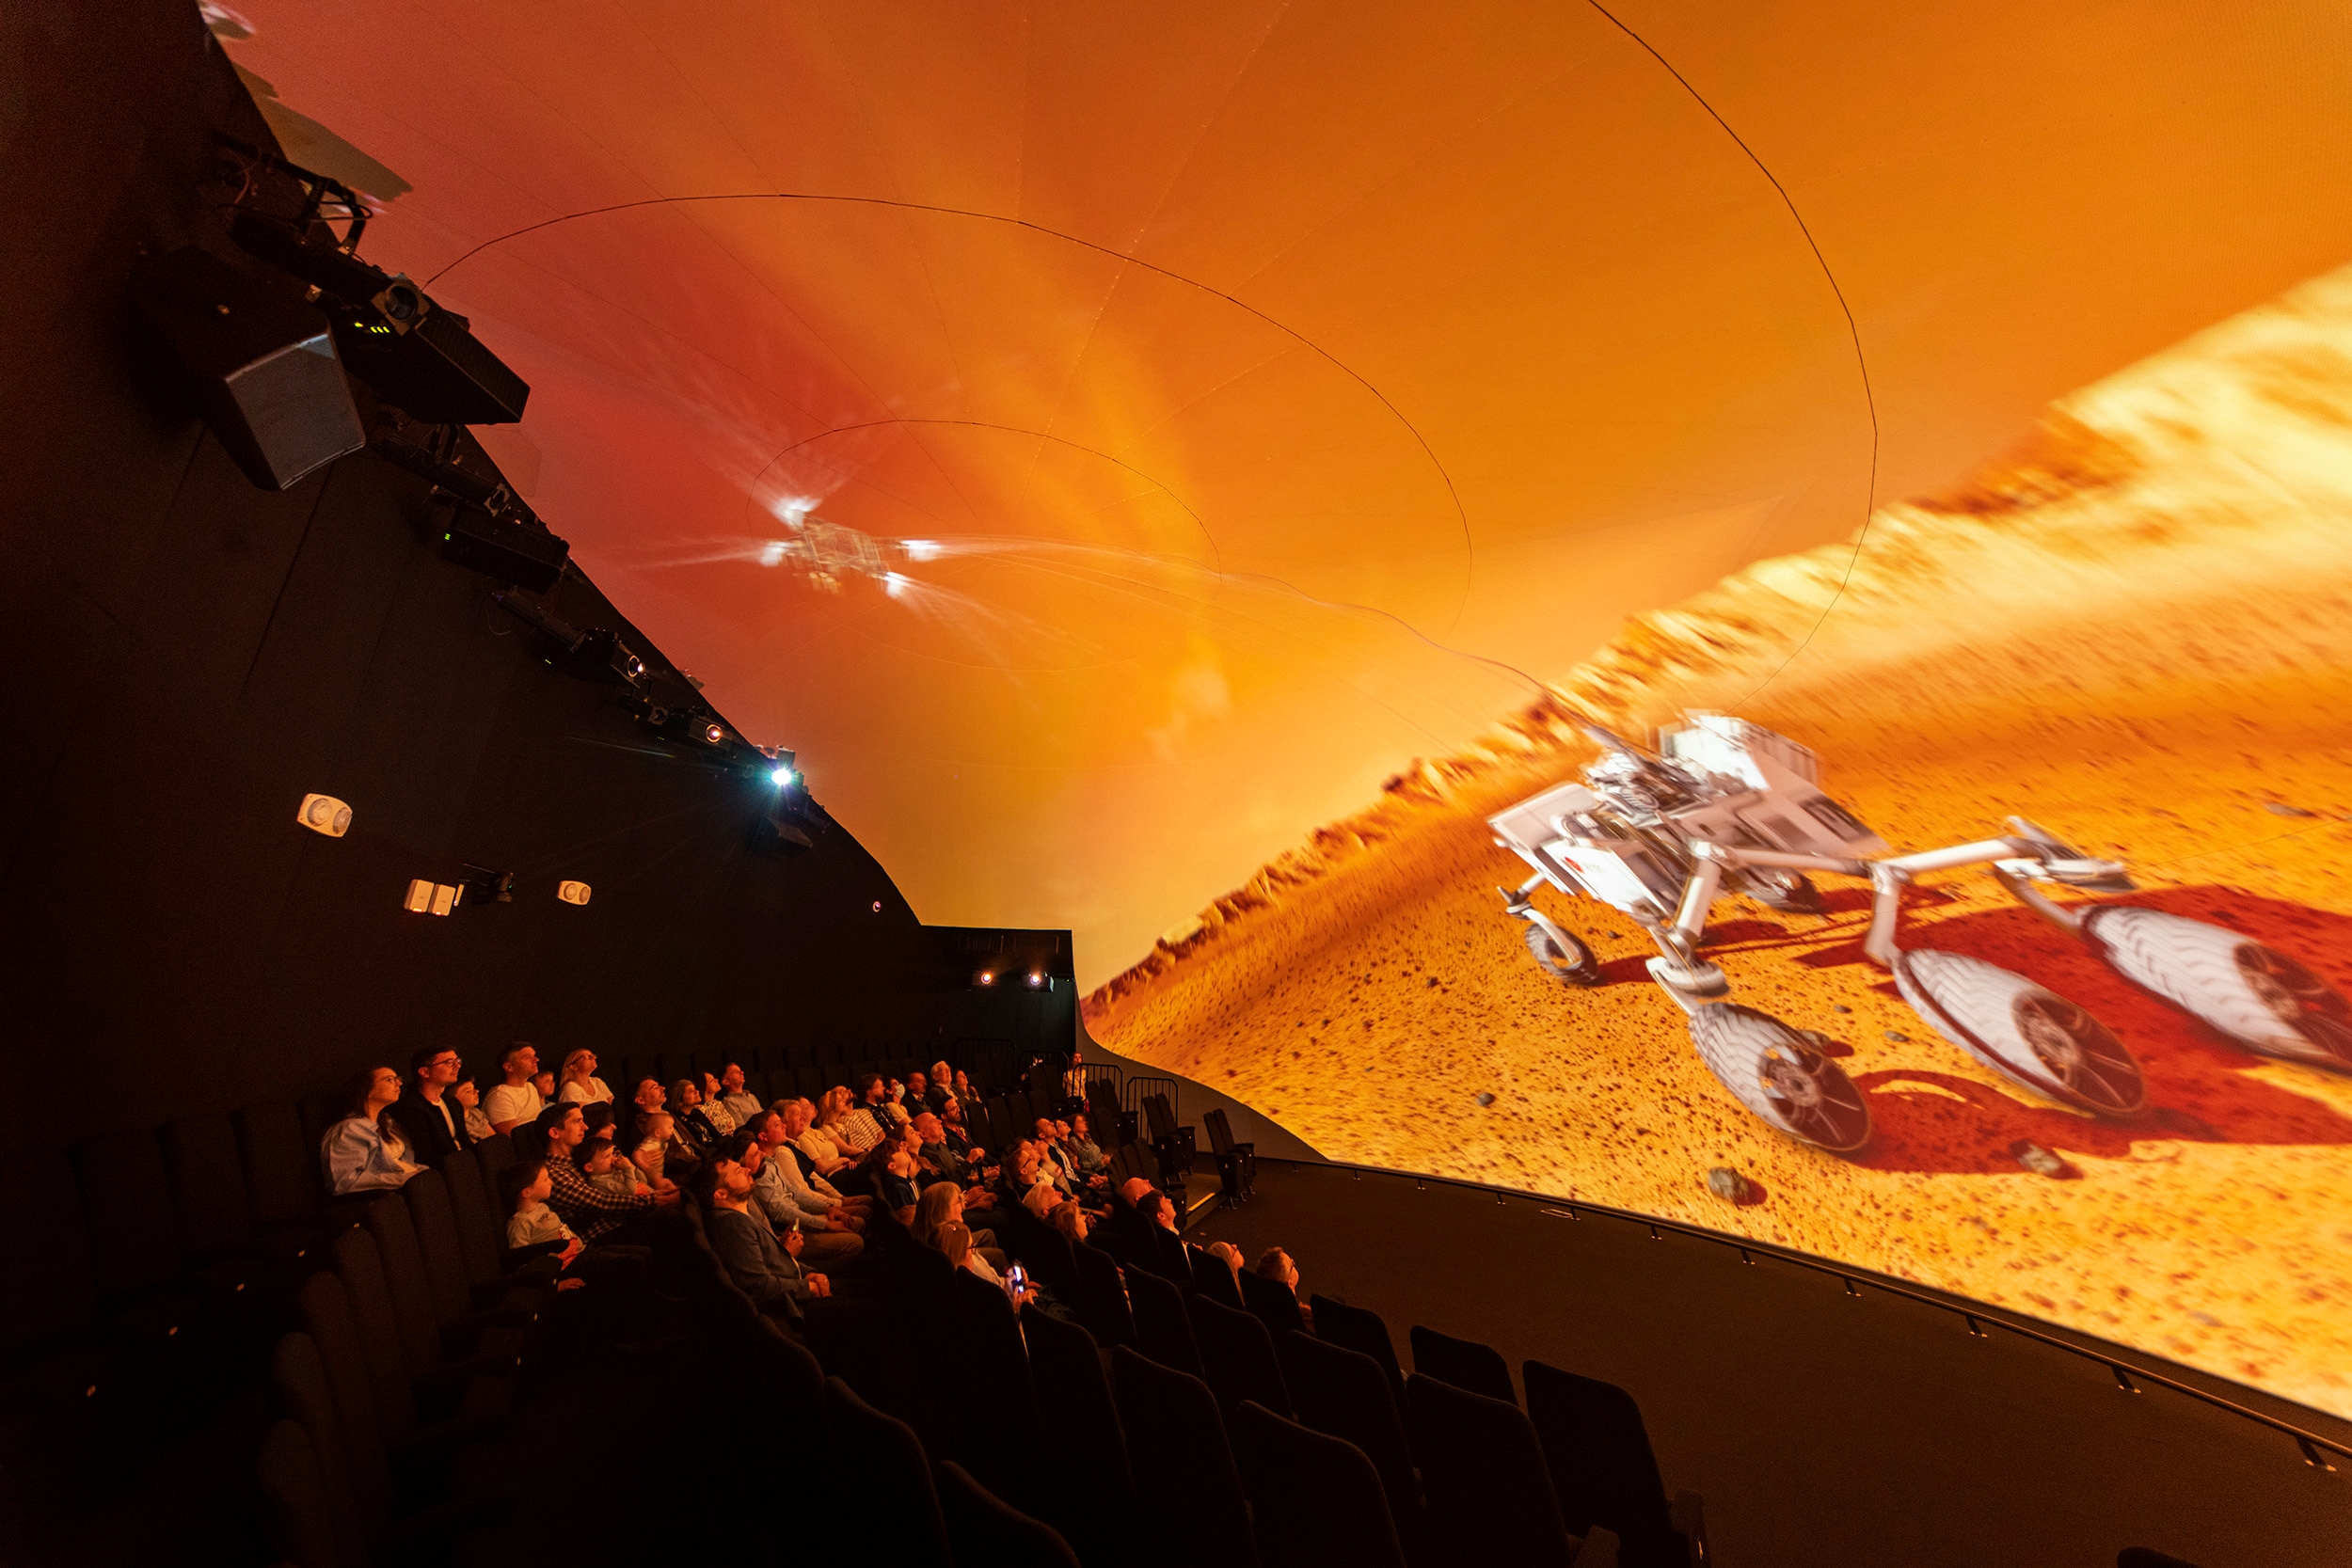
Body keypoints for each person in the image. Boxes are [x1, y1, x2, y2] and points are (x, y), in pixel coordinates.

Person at [703, 1154, 832, 1322]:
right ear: (721, 1193)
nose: (748, 1169)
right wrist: (809, 1287)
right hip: (794, 1308)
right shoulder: (733, 1224)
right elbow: (759, 1286)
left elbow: (773, 1260)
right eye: (738, 1171)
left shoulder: (741, 1215)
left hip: (796, 1284)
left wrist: (810, 1274)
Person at [538, 1103, 681, 1244]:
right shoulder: (553, 1172)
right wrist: (658, 1200)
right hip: (601, 1233)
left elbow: (620, 1169)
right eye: (577, 1121)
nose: (585, 1127)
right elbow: (600, 1202)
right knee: (672, 1219)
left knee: (682, 1209)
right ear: (555, 1133)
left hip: (621, 1219)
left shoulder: (578, 1156)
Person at [320, 1067, 425, 1195]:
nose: (399, 1083)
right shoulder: (349, 1129)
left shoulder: (387, 1122)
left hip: (410, 1187)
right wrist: (407, 1179)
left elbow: (404, 1163)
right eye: (390, 1080)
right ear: (368, 1091)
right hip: (387, 1198)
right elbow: (345, 1181)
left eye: (398, 1079)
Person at [388, 1044, 474, 1167]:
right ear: (425, 1072)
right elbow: (425, 1154)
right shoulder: (410, 1108)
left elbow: (465, 1141)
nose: (457, 1066)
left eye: (457, 1061)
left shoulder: (452, 1103)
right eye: (449, 1062)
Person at [483, 1042, 544, 1135]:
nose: (536, 1060)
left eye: (534, 1056)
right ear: (509, 1067)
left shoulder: (530, 1087)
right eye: (527, 1057)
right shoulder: (500, 1095)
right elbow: (514, 1137)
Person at [1255, 1247, 1314, 1331]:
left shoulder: (1267, 1313)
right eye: (1292, 1264)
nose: (1294, 1263)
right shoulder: (1306, 1318)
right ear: (1289, 1283)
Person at [671, 1077, 723, 1148]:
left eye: (695, 1089)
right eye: (690, 1092)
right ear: (680, 1102)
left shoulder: (696, 1113)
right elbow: (696, 1145)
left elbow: (715, 1134)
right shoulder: (678, 1120)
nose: (697, 1092)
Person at [715, 1063, 761, 1127]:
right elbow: (740, 1127)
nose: (741, 1073)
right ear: (726, 1082)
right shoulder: (729, 1102)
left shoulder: (751, 1096)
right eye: (736, 1072)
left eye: (741, 1071)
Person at [697, 1072, 738, 1136]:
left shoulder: (718, 1104)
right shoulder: (701, 1109)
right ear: (703, 1086)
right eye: (711, 1080)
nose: (717, 1080)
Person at [453, 1079, 494, 1143]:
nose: (476, 1091)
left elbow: (494, 1138)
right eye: (468, 1091)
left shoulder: (476, 1112)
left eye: (474, 1088)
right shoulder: (458, 1124)